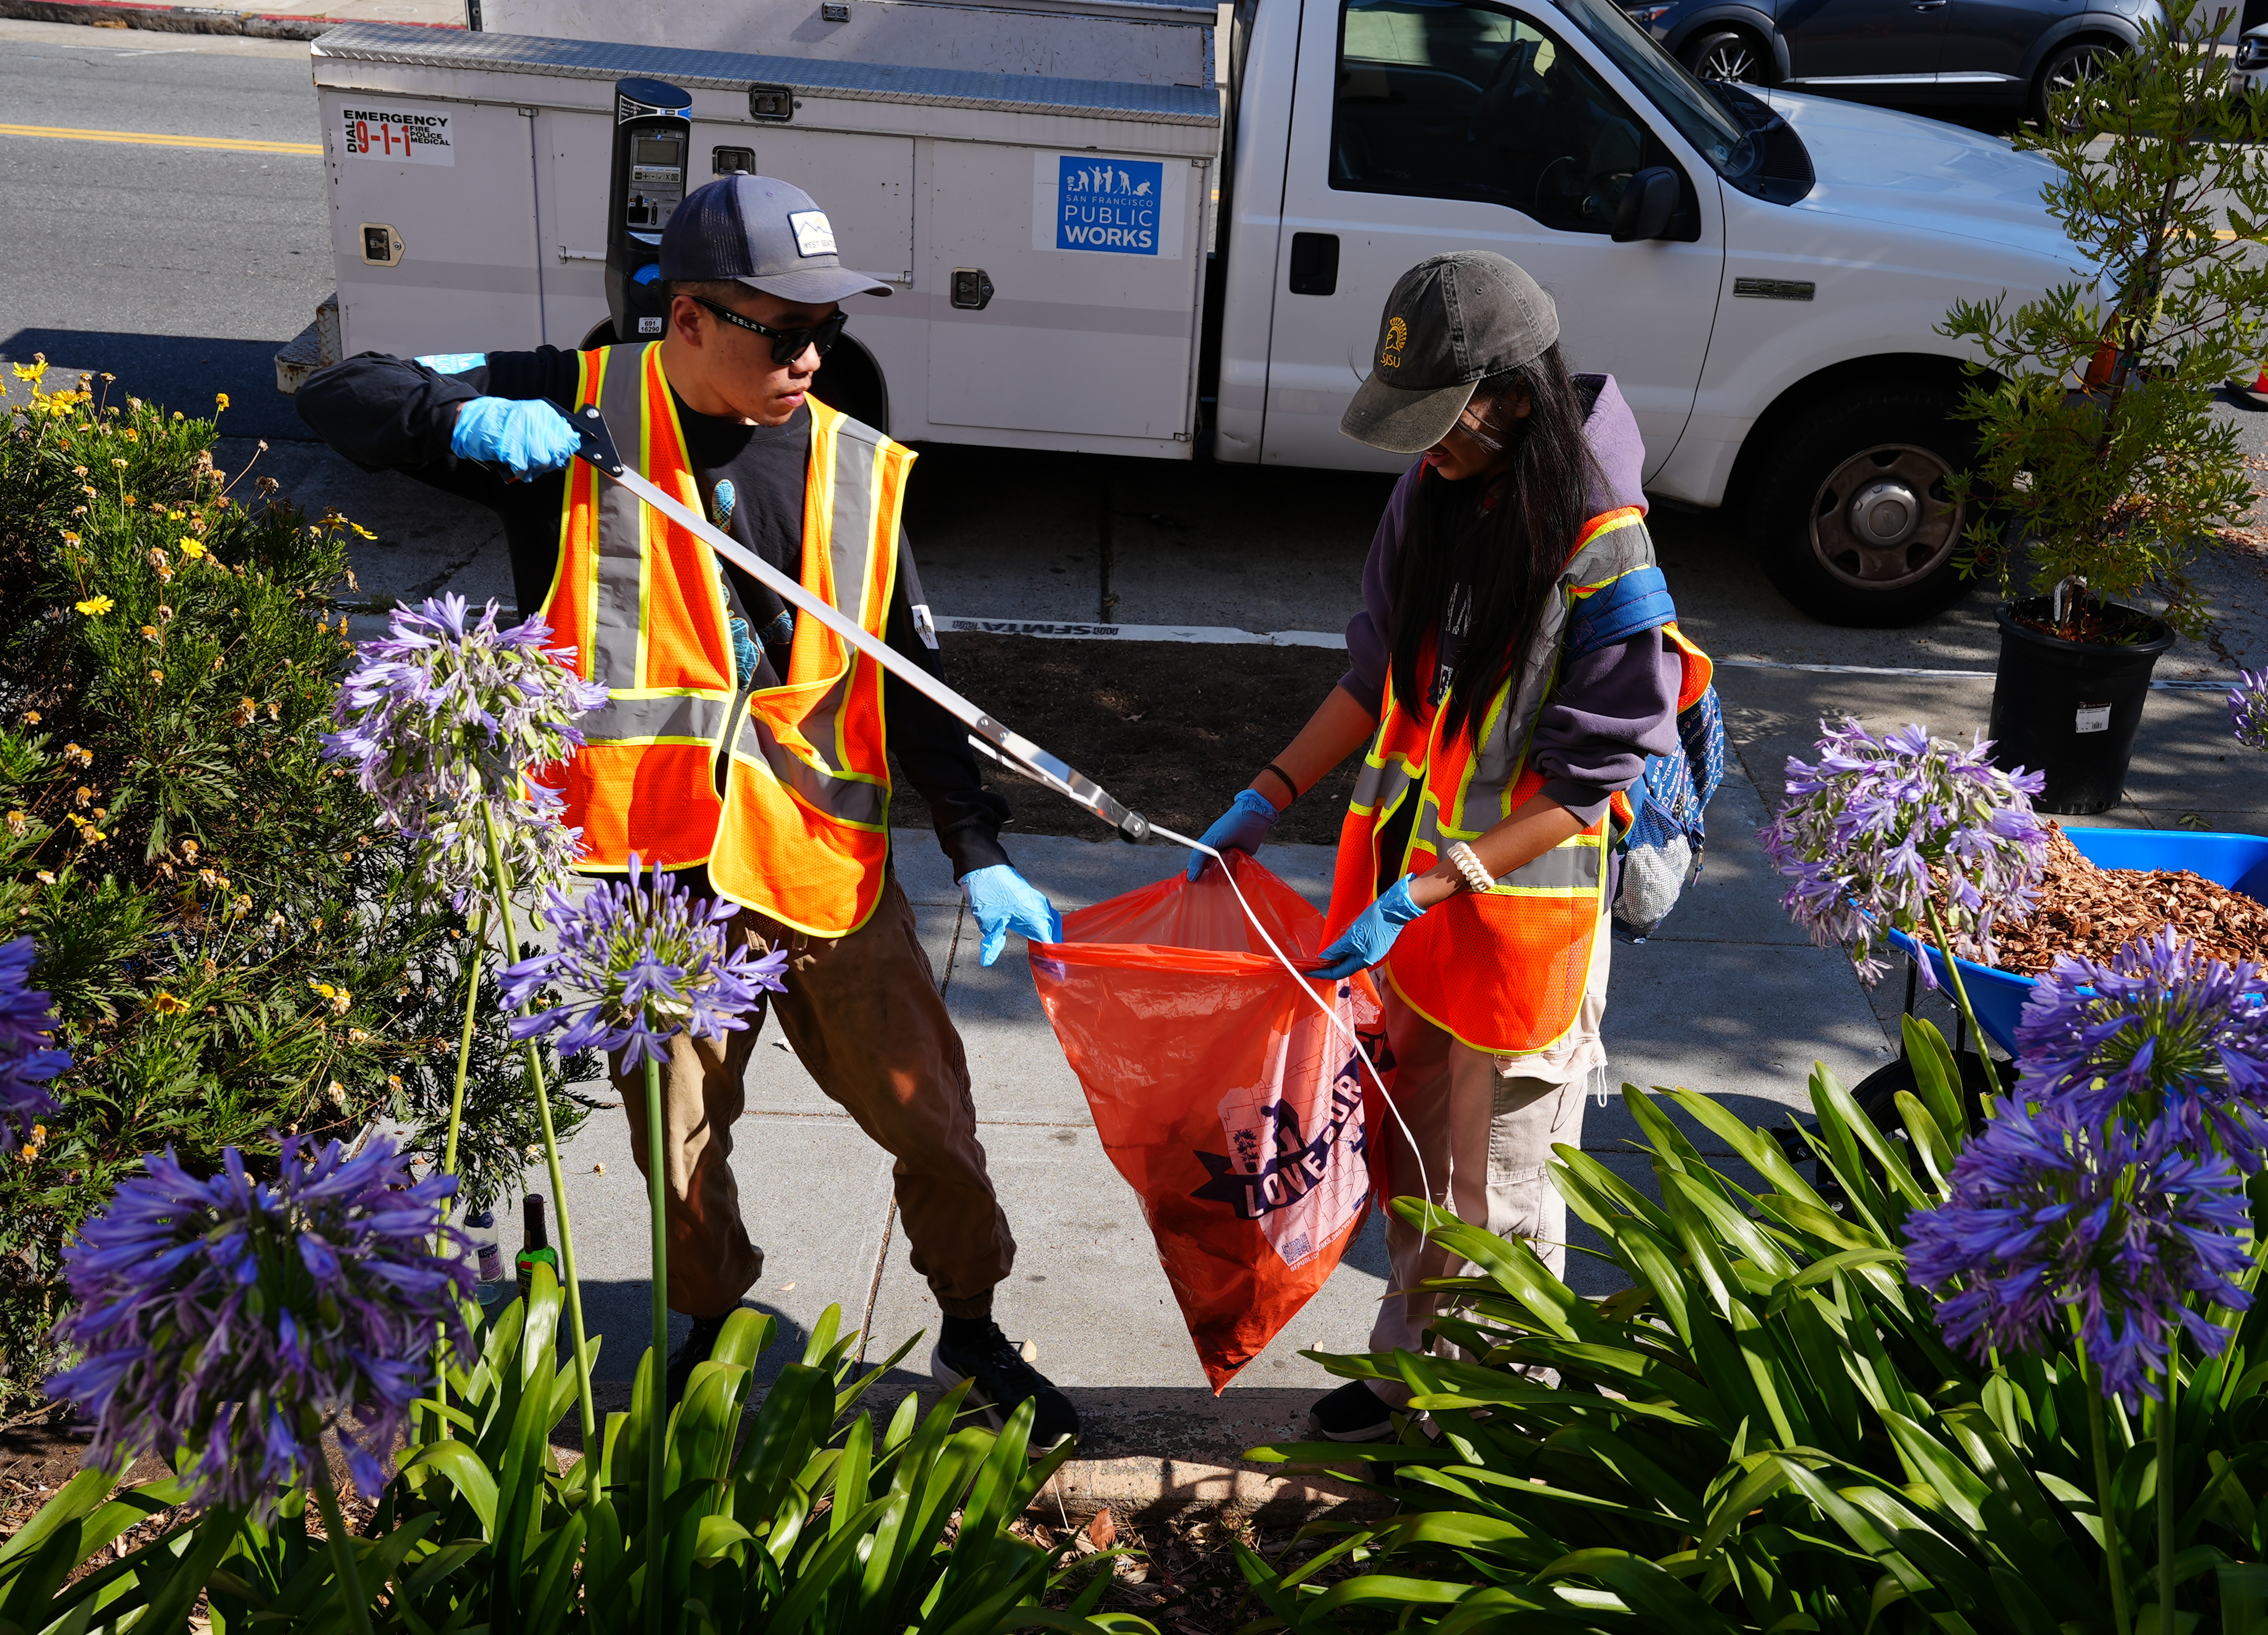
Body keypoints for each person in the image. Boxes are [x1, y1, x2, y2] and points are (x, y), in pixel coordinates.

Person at [298, 173, 1080, 1447]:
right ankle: (707, 1330)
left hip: (818, 872)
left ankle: (974, 1327)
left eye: (825, 326)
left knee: (927, 1115)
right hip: (645, 882)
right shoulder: (573, 405)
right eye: (782, 329)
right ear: (688, 317)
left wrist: (975, 844)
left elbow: (905, 677)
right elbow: (339, 387)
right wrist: (470, 413)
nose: (812, 355)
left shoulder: (847, 457)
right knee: (675, 1156)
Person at [1188, 251, 1699, 1444]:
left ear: (1512, 398)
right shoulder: (1431, 490)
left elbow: (1590, 783)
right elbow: (1375, 678)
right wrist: (1264, 793)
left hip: (1518, 934)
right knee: (1414, 1164)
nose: (1426, 449)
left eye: (1445, 426)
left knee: (1501, 1200)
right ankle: (1405, 1380)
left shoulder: (1597, 542)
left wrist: (1438, 881)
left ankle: (1489, 1442)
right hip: (1412, 928)